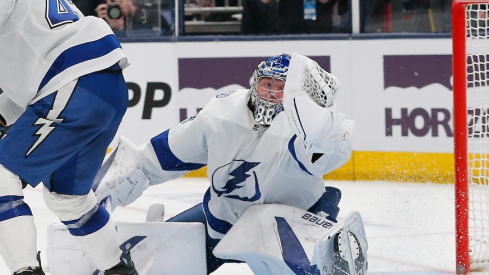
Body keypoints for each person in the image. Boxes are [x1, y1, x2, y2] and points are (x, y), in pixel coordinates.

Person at [95, 53, 357, 274]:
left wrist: (323, 118)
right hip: (219, 220)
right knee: (147, 263)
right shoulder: (220, 114)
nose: (272, 94)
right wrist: (99, 195)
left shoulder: (305, 129)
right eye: (267, 84)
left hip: (289, 223)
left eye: (282, 88)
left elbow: (328, 152)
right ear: (254, 83)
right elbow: (157, 158)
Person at [0, 0, 138, 274]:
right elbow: (29, 79)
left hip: (72, 82)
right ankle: (119, 270)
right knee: (68, 198)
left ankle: (25, 270)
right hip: (101, 85)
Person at [95, 0, 171, 34]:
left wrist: (121, 28)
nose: (117, 5)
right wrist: (100, 23)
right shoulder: (105, 19)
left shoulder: (150, 16)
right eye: (113, 2)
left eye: (121, 2)